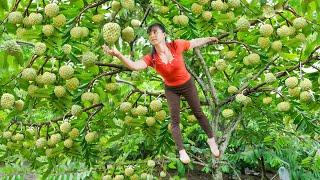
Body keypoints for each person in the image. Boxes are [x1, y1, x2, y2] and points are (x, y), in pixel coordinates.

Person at [102, 23, 220, 164]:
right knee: (175, 120)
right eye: (150, 33)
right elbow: (135, 66)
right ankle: (182, 151)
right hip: (171, 89)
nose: (152, 35)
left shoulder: (176, 45)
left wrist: (209, 38)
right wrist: (119, 55)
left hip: (187, 85)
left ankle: (211, 139)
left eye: (155, 32)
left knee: (198, 112)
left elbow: (193, 42)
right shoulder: (151, 58)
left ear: (163, 35)